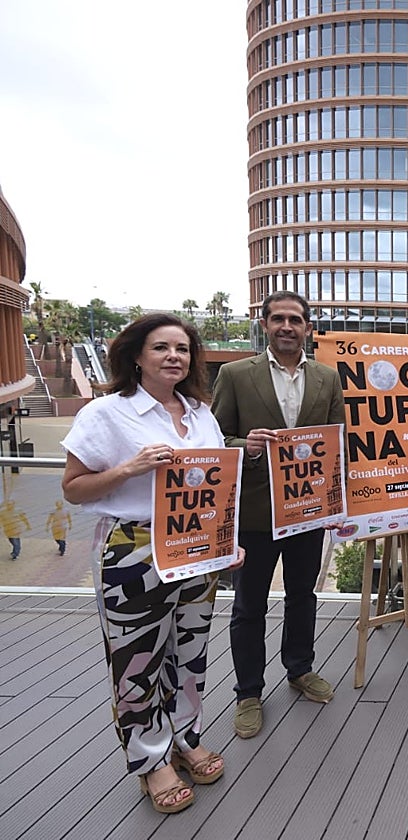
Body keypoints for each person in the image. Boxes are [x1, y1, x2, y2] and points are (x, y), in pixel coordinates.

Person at [61, 314, 239, 814]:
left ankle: (185, 735)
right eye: (161, 347)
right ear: (136, 356)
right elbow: (73, 488)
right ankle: (149, 759)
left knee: (189, 653)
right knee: (137, 660)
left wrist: (226, 544)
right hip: (134, 549)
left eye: (182, 349)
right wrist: (130, 468)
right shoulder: (107, 413)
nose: (174, 357)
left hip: (197, 550)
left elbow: (218, 485)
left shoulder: (201, 414)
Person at [211, 291, 345, 739]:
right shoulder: (234, 375)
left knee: (302, 595)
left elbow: (336, 444)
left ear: (309, 327)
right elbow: (215, 438)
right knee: (249, 605)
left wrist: (334, 504)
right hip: (253, 513)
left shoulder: (327, 378)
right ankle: (248, 692)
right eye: (279, 319)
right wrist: (241, 446)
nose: (287, 326)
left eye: (296, 320)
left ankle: (299, 668)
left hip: (306, 511)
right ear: (264, 325)